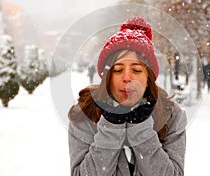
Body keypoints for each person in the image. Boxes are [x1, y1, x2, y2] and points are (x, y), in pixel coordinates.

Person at [68, 16, 186, 176]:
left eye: (136, 70)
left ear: (148, 77)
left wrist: (141, 127)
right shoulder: (84, 113)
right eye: (118, 70)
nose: (127, 78)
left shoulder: (171, 115)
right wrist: (110, 127)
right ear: (107, 76)